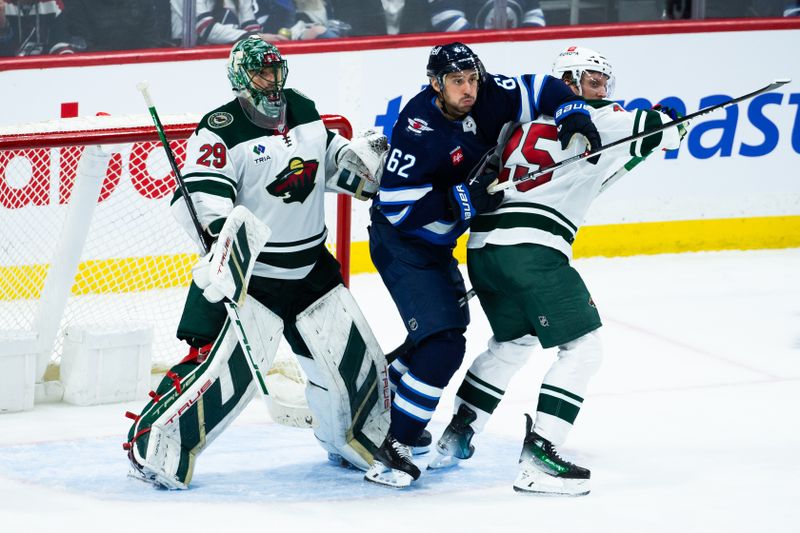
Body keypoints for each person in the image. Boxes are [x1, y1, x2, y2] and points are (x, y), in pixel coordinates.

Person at [124, 35, 392, 489]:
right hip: (255, 279)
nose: (270, 79)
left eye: (274, 69)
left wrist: (355, 159)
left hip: (311, 269)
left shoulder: (302, 108)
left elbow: (326, 159)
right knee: (224, 377)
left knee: (353, 366)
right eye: (259, 71)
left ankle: (352, 437)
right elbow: (205, 199)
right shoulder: (220, 129)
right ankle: (154, 444)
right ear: (239, 76)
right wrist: (219, 240)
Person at [429, 45, 689, 496]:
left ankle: (456, 435)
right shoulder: (600, 118)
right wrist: (671, 113)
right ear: (568, 82)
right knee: (584, 349)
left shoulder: (522, 121)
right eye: (592, 80)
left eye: (604, 82)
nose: (601, 89)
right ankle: (541, 455)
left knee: (514, 342)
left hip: (484, 247)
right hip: (531, 249)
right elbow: (668, 130)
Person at [364, 41, 602, 488]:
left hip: (437, 246)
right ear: (436, 85)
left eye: (472, 78)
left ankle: (375, 399)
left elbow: (543, 86)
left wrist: (574, 113)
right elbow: (396, 205)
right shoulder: (418, 127)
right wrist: (462, 200)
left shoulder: (490, 92)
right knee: (444, 344)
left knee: (436, 337)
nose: (468, 89)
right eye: (457, 81)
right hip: (402, 243)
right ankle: (394, 447)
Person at [0, 0, 68, 56]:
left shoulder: (54, 3)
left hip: (44, 67)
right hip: (8, 68)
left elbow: (61, 44)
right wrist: (2, 29)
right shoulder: (2, 6)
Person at [429, 0, 545, 32]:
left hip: (513, 53)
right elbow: (446, 19)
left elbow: (535, 16)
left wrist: (521, 45)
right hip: (466, 61)